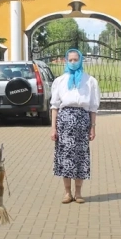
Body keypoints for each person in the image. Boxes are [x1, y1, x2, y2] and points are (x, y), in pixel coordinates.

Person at [50, 49, 100, 204]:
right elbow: (55, 106)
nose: (73, 62)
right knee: (65, 158)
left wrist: (92, 127)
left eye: (75, 59)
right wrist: (53, 128)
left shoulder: (90, 81)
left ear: (81, 60)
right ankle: (67, 193)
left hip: (82, 122)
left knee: (80, 158)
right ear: (66, 61)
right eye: (70, 60)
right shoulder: (60, 81)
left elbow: (92, 107)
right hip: (64, 123)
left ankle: (78, 193)